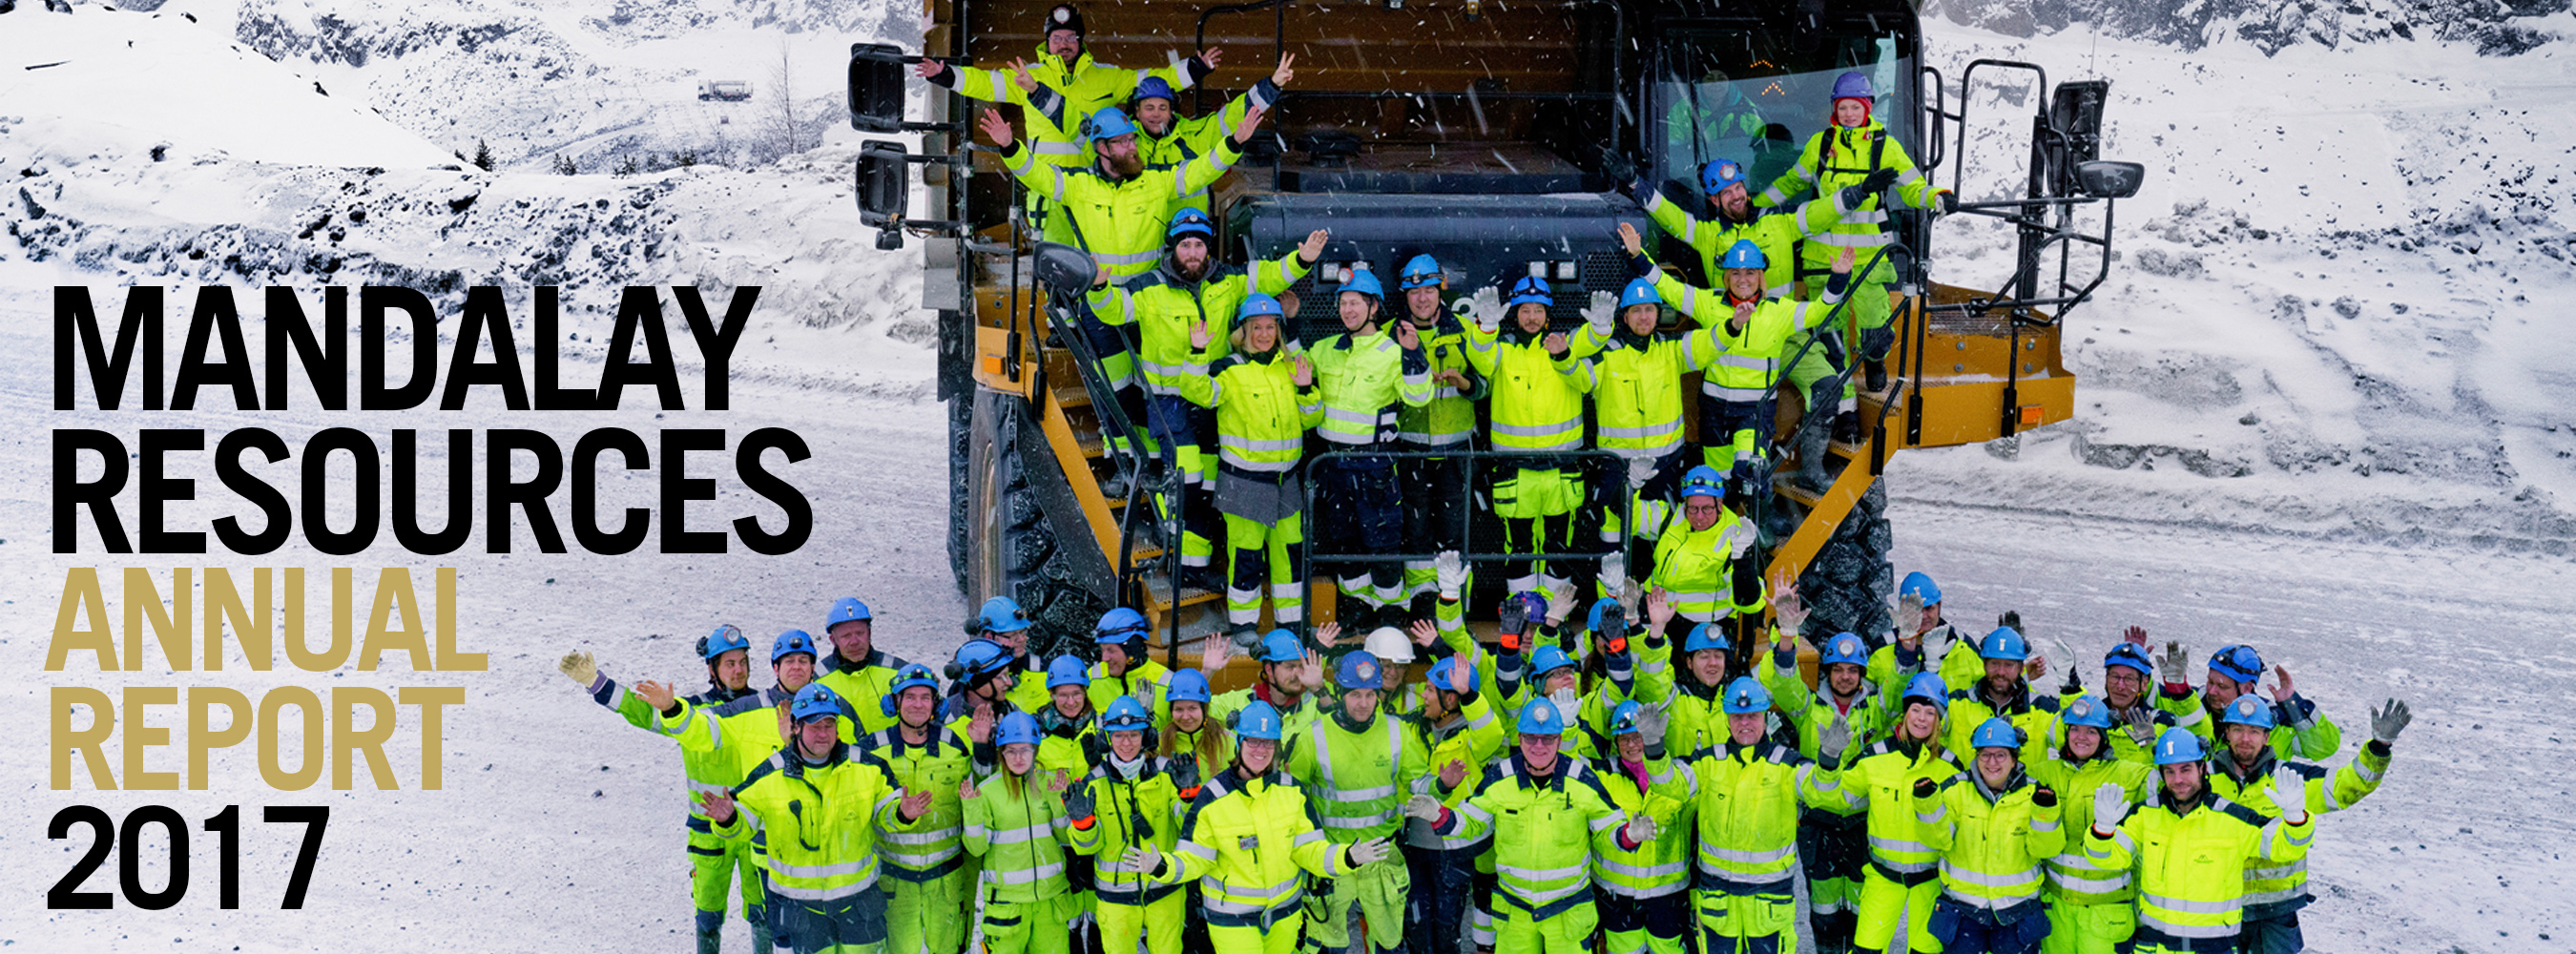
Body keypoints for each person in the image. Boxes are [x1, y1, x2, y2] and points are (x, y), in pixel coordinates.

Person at [979, 99, 1269, 493]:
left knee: (1147, 387)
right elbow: (1040, 177)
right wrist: (1010, 147)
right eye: (1124, 143)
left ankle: (1155, 463)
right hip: (1102, 308)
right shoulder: (1079, 185)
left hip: (1149, 304)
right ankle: (1125, 466)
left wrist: (1234, 141)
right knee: (1112, 390)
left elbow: (1201, 170)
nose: (1134, 147)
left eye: (1132, 140)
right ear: (1102, 149)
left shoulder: (1156, 181)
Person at [1090, 215, 1324, 576]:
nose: (1193, 252)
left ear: (1207, 248)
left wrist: (1304, 259)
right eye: (1185, 245)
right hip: (1168, 403)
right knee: (1187, 477)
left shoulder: (1228, 279)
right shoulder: (1148, 285)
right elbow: (1115, 310)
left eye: (1199, 244)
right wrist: (1100, 287)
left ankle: (1192, 566)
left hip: (1211, 397)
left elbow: (1271, 275)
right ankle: (1167, 532)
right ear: (1174, 248)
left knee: (1208, 484)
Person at [1630, 158, 1880, 481]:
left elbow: (1817, 213)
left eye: (1738, 187)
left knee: (1828, 388)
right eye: (1726, 192)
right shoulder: (1707, 235)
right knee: (1730, 467)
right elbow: (1669, 215)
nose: (1736, 196)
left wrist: (1857, 193)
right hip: (1728, 342)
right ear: (1714, 200)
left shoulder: (1777, 224)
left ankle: (1812, 468)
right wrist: (1636, 184)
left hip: (1784, 335)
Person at [918, 4, 1217, 236]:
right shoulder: (1029, 77)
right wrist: (944, 74)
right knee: (1057, 265)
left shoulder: (1106, 76)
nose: (1064, 44)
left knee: (1099, 259)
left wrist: (1194, 69)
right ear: (1047, 42)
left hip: (1098, 189)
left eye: (1070, 37)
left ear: (1080, 41)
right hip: (1049, 191)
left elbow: (1152, 81)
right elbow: (983, 83)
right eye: (1057, 37)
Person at [557, 626, 766, 954]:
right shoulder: (686, 711)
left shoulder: (764, 706)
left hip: (756, 828)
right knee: (708, 915)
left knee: (763, 913)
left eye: (742, 662)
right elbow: (641, 712)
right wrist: (596, 683)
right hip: (708, 831)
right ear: (712, 669)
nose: (738, 670)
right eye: (729, 664)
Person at [1129, 700, 1396, 954]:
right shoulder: (1213, 797)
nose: (1260, 750)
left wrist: (1347, 857)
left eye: (1268, 743)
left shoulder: (1292, 790)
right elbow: (1195, 858)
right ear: (1239, 743)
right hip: (1232, 919)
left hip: (1284, 916)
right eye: (1253, 741)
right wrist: (1162, 866)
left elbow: (1309, 851)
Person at [1754, 71, 1956, 393]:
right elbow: (1792, 182)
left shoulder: (1884, 147)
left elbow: (1912, 187)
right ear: (1835, 109)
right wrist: (1756, 205)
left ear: (1867, 109)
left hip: (1868, 260)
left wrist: (1937, 196)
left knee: (1875, 326)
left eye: (1856, 108)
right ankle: (1837, 386)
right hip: (1825, 259)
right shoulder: (1820, 144)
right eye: (1843, 107)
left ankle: (1875, 359)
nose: (1849, 114)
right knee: (1828, 331)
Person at [700, 684, 935, 954]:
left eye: (829, 724)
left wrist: (902, 814)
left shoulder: (867, 767)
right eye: (814, 725)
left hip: (859, 905)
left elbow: (886, 814)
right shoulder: (770, 773)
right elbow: (742, 826)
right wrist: (729, 819)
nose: (823, 733)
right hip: (803, 910)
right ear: (796, 727)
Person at [1410, 698, 1656, 954]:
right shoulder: (1500, 777)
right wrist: (1439, 815)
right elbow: (1471, 822)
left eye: (1548, 738)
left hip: (1568, 913)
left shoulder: (1581, 778)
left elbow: (1607, 831)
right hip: (1515, 914)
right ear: (1520, 738)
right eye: (1531, 738)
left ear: (1560, 740)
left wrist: (1629, 835)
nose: (1539, 746)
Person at [1667, 677, 1864, 954]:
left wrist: (1829, 758)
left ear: (1764, 717)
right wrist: (1653, 748)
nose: (1745, 723)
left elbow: (1822, 793)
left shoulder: (1787, 763)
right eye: (1737, 716)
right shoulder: (1708, 761)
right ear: (1727, 719)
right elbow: (1671, 786)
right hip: (1718, 901)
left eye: (1752, 716)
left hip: (1768, 901)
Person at [2203, 695, 2405, 954]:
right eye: (2238, 730)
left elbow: (2346, 786)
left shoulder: (2290, 778)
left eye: (2254, 731)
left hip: (2276, 913)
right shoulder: (2201, 778)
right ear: (2227, 733)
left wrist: (2379, 746)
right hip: (2215, 908)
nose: (2245, 739)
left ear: (2267, 737)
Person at [2081, 729, 2313, 953]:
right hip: (2154, 946)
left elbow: (2283, 847)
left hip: (2212, 947)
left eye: (2186, 769)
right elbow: (2108, 859)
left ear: (2202, 768)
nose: (2178, 779)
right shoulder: (2144, 815)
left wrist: (2295, 818)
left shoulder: (2231, 817)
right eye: (2169, 771)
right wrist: (2102, 831)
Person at [1645, 238, 1850, 486]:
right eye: (1736, 273)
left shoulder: (1778, 312)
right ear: (1727, 277)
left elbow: (1819, 311)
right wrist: (1637, 255)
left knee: (1750, 473)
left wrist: (1838, 279)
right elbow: (1669, 288)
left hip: (1753, 413)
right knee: (1717, 483)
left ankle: (1762, 513)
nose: (1743, 279)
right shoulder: (1708, 304)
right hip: (1713, 411)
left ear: (1760, 277)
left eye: (1750, 273)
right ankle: (1730, 520)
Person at [1460, 276, 1613, 596]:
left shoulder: (1565, 344)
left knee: (1559, 549)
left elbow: (1589, 360)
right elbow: (1480, 358)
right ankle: (1523, 616)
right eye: (1524, 310)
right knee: (1519, 549)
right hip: (1515, 471)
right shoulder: (1502, 350)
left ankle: (1553, 621)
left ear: (1548, 313)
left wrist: (1592, 333)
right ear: (1513, 313)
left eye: (1538, 310)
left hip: (1562, 470)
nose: (1531, 317)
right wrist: (1486, 326)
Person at [1181, 294, 1324, 638]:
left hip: (1285, 481)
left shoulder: (1292, 367)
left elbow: (1312, 419)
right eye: (1256, 327)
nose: (1264, 334)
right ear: (1243, 331)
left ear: (1278, 329)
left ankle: (1290, 624)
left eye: (1270, 327)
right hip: (1244, 482)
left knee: (1289, 555)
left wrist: (1306, 391)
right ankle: (1244, 625)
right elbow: (1198, 393)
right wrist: (1197, 352)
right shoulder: (1227, 368)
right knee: (1246, 557)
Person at [1307, 264, 1435, 632]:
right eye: (1343, 303)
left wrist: (1413, 354)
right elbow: (1294, 366)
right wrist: (1289, 324)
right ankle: (1359, 606)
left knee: (1383, 542)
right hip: (1332, 461)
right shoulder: (1326, 349)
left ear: (1373, 307)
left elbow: (1420, 396)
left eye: (1355, 303)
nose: (1348, 310)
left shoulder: (1392, 350)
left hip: (1374, 463)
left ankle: (1391, 609)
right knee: (1345, 541)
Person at [1284, 650, 1431, 954]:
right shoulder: (1312, 738)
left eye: (1370, 695)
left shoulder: (1396, 731)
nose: (1363, 703)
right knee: (1327, 945)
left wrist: (1443, 785)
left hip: (1381, 856)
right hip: (1332, 857)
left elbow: (1420, 782)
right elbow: (1292, 799)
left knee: (1389, 944)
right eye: (1354, 695)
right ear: (1339, 692)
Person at [1564, 259, 1726, 532]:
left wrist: (1733, 324)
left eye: (1649, 309)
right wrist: (1562, 354)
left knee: (1663, 532)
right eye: (1636, 311)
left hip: (1666, 464)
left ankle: (1653, 576)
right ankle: (1615, 577)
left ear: (1658, 314)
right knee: (1614, 532)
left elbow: (1709, 344)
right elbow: (1578, 377)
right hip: (1618, 465)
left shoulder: (1671, 350)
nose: (1643, 317)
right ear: (1625, 317)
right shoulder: (1607, 355)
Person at [1761, 625, 1894, 952]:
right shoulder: (1808, 707)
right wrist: (1787, 640)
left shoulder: (1876, 709)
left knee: (1862, 907)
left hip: (1862, 823)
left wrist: (1905, 648)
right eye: (1838, 669)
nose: (1845, 677)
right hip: (1820, 826)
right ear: (1827, 672)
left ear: (1861, 673)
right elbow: (1784, 683)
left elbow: (1899, 688)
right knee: (1824, 909)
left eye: (1852, 670)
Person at [1916, 717, 2064, 954]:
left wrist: (2045, 811)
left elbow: (2046, 851)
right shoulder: (1956, 789)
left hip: (2017, 912)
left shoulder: (2034, 793)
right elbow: (1937, 841)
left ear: (2014, 759)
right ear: (1976, 756)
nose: (1992, 762)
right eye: (1985, 755)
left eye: (2000, 755)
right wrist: (1926, 804)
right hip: (1963, 911)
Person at [1391, 255, 1486, 617]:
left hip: (1456, 455)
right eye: (1414, 292)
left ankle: (1455, 613)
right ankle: (1421, 613)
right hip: (1409, 451)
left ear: (1440, 291)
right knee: (1414, 536)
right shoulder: (1391, 333)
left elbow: (1486, 386)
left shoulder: (1464, 329)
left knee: (1454, 539)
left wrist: (1464, 383)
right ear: (1406, 295)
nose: (1422, 299)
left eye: (1428, 290)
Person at [1840, 673, 1963, 954]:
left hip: (1931, 882)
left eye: (1930, 712)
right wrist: (1829, 759)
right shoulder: (1875, 757)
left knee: (1926, 951)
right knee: (1866, 950)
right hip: (1884, 877)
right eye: (1915, 710)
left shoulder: (1951, 767)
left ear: (1939, 719)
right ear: (1905, 713)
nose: (1921, 718)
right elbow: (1836, 796)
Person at [866, 665, 983, 954]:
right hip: (895, 883)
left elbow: (983, 790)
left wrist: (982, 749)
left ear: (936, 704)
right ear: (895, 702)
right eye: (909, 697)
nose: (918, 704)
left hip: (946, 883)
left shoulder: (954, 747)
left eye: (925, 697)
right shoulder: (871, 751)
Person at [2023, 695, 2150, 954]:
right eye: (2075, 729)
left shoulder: (2129, 774)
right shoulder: (2043, 773)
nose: (2082, 737)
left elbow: (2174, 783)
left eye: (2092, 731)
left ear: (2104, 736)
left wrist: (2150, 748)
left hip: (2106, 914)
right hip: (2057, 909)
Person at [1398, 650, 1504, 954]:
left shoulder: (1473, 738)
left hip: (1453, 849)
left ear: (1451, 699)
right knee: (1417, 928)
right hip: (1414, 846)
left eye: (1430, 689)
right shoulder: (1411, 729)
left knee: (1446, 931)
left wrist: (1469, 694)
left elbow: (1492, 732)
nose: (1423, 694)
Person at [965, 711, 1092, 954]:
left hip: (1050, 901)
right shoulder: (986, 791)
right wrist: (971, 809)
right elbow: (977, 848)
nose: (1019, 757)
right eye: (1011, 750)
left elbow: (1067, 839)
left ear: (1035, 750)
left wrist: (1058, 802)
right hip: (1007, 905)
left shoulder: (1052, 783)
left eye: (1025, 750)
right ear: (1001, 752)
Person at [1074, 696, 1192, 954]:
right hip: (1115, 898)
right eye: (1118, 736)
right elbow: (1087, 847)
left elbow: (1190, 827)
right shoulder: (1093, 783)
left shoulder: (1168, 773)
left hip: (1165, 890)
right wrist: (1082, 823)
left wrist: (1189, 794)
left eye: (1133, 735)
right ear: (1106, 739)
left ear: (1146, 736)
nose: (1126, 743)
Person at [1587, 700, 1692, 954]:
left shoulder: (1678, 774)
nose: (1632, 745)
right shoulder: (1602, 775)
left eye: (1638, 737)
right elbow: (1565, 768)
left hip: (1668, 895)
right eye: (1624, 739)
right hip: (1616, 895)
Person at [1133, 53, 1296, 218]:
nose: (1156, 114)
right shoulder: (1125, 142)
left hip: (1189, 238)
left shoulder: (1195, 135)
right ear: (1137, 112)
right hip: (1143, 240)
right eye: (1149, 108)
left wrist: (1272, 85)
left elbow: (1236, 113)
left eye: (1162, 107)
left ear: (1171, 111)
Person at [1631, 466, 1764, 643]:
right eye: (1693, 508)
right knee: (1640, 652)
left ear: (1720, 505)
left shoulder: (1736, 536)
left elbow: (1749, 603)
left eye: (1707, 508)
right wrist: (1631, 486)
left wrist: (1741, 561)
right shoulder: (1671, 516)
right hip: (1656, 611)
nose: (1699, 517)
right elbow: (1627, 516)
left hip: (1706, 624)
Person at [2148, 641, 2342, 761]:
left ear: (2247, 688)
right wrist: (2132, 663)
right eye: (2210, 681)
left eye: (2222, 686)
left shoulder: (2274, 721)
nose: (2212, 691)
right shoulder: (2193, 700)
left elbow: (2323, 748)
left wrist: (2294, 706)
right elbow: (2148, 697)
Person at [1157, 669, 1228, 954]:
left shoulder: (1225, 741)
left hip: (1219, 843)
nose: (1185, 716)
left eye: (1192, 708)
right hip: (1181, 844)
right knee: (1188, 928)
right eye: (1178, 709)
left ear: (1204, 708)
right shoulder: (1163, 744)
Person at [1943, 628, 2062, 766]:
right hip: (1963, 787)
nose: (2001, 672)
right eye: (1995, 663)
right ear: (1984, 665)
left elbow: (2078, 738)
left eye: (2009, 665)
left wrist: (2070, 687)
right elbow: (1922, 728)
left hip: (2025, 788)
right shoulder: (1957, 703)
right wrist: (1931, 670)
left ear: (2021, 669)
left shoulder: (2041, 709)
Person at [1867, 572, 1977, 694]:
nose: (1923, 616)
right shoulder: (1881, 648)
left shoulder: (1963, 645)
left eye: (1929, 608)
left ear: (1939, 606)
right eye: (1916, 610)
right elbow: (1862, 700)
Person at [820, 597, 915, 737]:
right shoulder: (817, 680)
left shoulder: (899, 672)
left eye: (860, 633)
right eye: (846, 636)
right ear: (833, 640)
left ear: (869, 633)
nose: (854, 642)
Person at [1211, 629, 1328, 738]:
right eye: (1290, 666)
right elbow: (1198, 711)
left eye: (1301, 666)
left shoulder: (1315, 700)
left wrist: (1319, 688)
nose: (1297, 674)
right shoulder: (1241, 702)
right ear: (1269, 670)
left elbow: (1338, 726)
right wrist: (1207, 672)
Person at [2090, 635, 2175, 766]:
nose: (2120, 686)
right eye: (2114, 677)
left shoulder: (2163, 723)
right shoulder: (2090, 718)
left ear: (2144, 684)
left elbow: (2174, 772)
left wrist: (2151, 745)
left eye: (2129, 679)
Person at [1090, 608, 1174, 723]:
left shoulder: (1169, 684)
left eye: (1111, 650)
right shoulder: (1091, 679)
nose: (1104, 659)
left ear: (1132, 650)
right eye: (1103, 650)